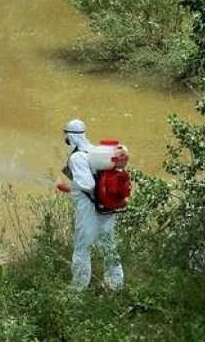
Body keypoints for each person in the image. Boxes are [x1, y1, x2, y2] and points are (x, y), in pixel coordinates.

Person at [62, 118, 124, 291]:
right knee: (108, 245)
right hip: (107, 206)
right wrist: (71, 188)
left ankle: (78, 288)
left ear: (70, 136)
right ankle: (116, 286)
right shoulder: (96, 152)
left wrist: (81, 190)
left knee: (82, 246)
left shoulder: (77, 157)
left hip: (89, 208)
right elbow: (95, 182)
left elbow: (88, 185)